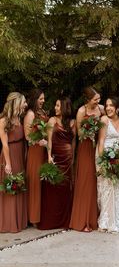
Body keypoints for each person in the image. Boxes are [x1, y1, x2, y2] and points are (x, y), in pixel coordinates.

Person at [38, 97, 76, 230]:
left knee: (65, 187)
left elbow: (73, 141)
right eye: (56, 105)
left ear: (65, 107)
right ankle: (52, 220)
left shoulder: (73, 122)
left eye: (58, 106)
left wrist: (73, 158)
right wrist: (49, 156)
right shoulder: (52, 120)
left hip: (67, 157)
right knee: (53, 187)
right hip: (55, 157)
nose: (55, 107)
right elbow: (49, 140)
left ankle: (65, 220)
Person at [70, 86, 104, 232]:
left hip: (97, 146)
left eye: (98, 99)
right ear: (88, 99)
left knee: (94, 180)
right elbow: (79, 134)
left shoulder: (101, 109)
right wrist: (88, 131)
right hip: (85, 147)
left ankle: (93, 218)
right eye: (95, 99)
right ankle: (82, 219)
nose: (98, 101)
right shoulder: (81, 111)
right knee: (85, 180)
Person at [0, 92, 28, 232]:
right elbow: (5, 144)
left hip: (19, 153)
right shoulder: (4, 120)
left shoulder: (18, 118)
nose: (26, 104)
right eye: (23, 102)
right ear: (16, 103)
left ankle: (19, 221)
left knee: (19, 185)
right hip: (9, 154)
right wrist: (8, 164)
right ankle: (10, 223)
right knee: (11, 186)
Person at [96, 97, 119, 233]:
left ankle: (115, 222)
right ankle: (105, 222)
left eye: (111, 105)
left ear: (117, 108)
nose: (108, 108)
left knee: (116, 188)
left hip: (117, 157)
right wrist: (101, 162)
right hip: (105, 155)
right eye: (106, 105)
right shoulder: (104, 120)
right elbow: (101, 142)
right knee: (106, 189)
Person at [24, 89, 48, 226]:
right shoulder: (30, 114)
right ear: (35, 99)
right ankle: (32, 218)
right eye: (41, 99)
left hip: (43, 151)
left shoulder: (42, 113)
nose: (43, 101)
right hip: (34, 152)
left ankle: (40, 215)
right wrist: (39, 142)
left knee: (41, 183)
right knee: (34, 183)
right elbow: (28, 137)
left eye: (44, 99)